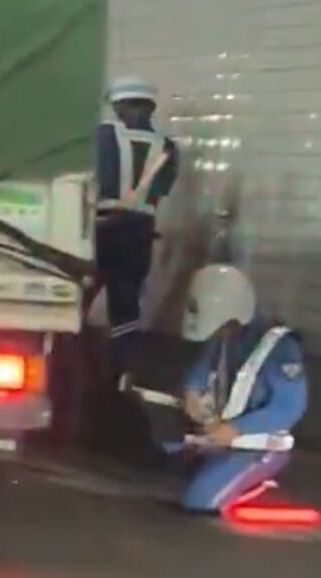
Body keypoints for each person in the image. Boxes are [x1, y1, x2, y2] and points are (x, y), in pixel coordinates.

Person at [177, 264, 307, 513]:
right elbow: (203, 368)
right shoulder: (226, 334)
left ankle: (254, 487)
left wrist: (236, 428)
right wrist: (192, 394)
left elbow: (289, 406)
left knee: (198, 501)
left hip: (257, 444)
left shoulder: (280, 347)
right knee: (162, 455)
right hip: (219, 435)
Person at [95, 76, 179, 381]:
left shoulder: (102, 136)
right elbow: (163, 189)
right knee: (126, 302)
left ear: (118, 106)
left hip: (100, 228)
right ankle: (123, 370)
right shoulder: (167, 147)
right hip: (140, 231)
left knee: (80, 295)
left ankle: (73, 359)